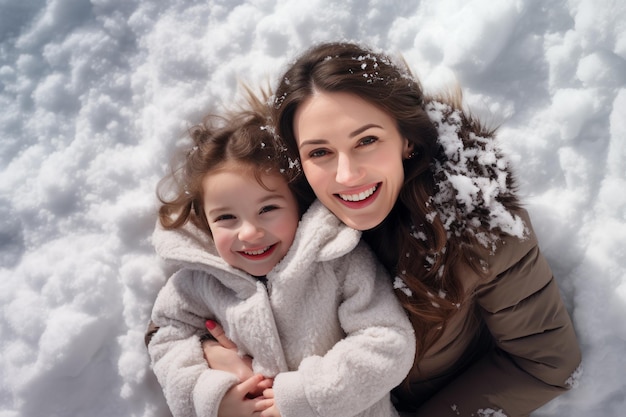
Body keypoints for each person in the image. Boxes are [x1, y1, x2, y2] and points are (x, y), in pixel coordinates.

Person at [202, 42, 583, 417]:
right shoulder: (276, 201)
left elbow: (546, 362)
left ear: (406, 140)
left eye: (367, 141)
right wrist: (219, 367)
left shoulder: (481, 234)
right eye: (320, 152)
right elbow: (184, 281)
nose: (347, 175)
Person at [146, 95, 416, 417]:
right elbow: (166, 339)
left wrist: (306, 396)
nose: (249, 232)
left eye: (268, 209)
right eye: (226, 218)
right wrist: (211, 397)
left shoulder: (337, 259)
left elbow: (388, 342)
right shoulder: (198, 282)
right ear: (205, 222)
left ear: (298, 206)